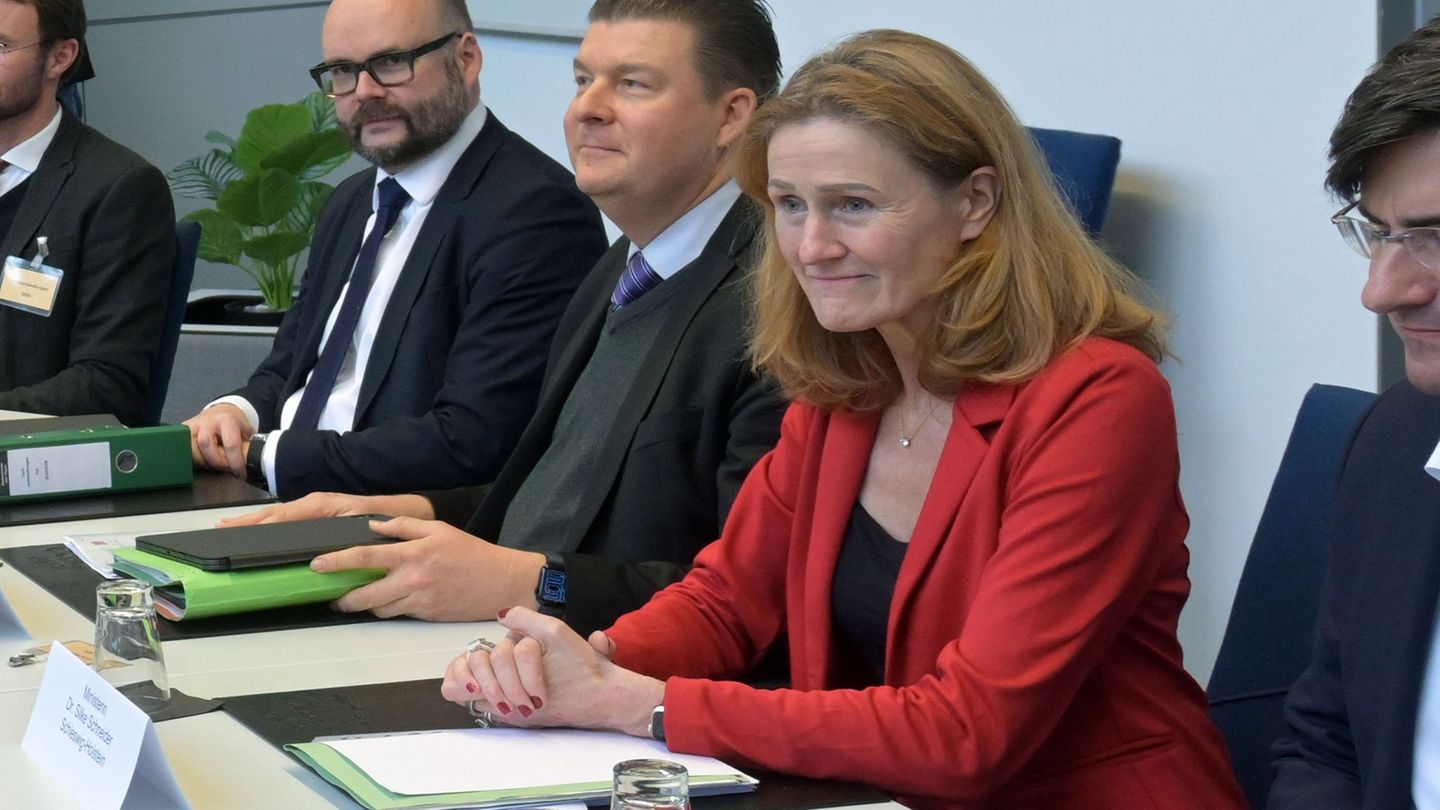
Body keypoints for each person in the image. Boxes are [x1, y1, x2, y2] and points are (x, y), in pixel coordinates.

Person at [440, 29, 1248, 809]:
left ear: (975, 202)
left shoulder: (1099, 398)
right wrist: (574, 662)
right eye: (790, 205)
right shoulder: (849, 381)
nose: (812, 245)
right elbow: (725, 601)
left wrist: (637, 703)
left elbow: (969, 734)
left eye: (852, 205)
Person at [217, 0, 787, 635]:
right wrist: (411, 510)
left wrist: (530, 579)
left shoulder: (778, 312)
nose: (586, 109)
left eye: (632, 84)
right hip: (511, 636)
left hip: (611, 669)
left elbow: (749, 600)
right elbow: (556, 495)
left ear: (733, 114)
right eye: (582, 80)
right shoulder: (621, 270)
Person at [183, 0, 607, 499]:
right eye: (343, 71)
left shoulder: (534, 211)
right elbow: (290, 365)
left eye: (390, 63)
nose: (365, 91)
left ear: (466, 59)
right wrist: (234, 414)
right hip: (269, 488)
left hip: (381, 522)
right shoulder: (351, 201)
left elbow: (472, 440)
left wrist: (263, 456)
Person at [1270, 17, 1440, 809]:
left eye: (1436, 239)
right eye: (1378, 234)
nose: (1382, 291)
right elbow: (1327, 742)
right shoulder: (1394, 443)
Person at [0, 0, 175, 425]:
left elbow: (109, 383)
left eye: (0, 45)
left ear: (60, 57)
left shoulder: (118, 187)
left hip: (32, 462)